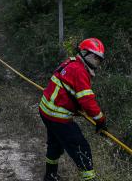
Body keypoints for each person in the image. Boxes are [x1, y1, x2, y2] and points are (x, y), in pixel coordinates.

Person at [38, 38, 106, 181]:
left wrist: (75, 109)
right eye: (95, 57)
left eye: (99, 59)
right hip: (57, 116)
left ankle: (50, 176)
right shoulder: (79, 71)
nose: (97, 62)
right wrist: (100, 120)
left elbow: (70, 92)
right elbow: (87, 101)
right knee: (82, 148)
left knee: (55, 144)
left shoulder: (71, 62)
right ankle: (89, 178)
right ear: (84, 53)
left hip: (46, 111)